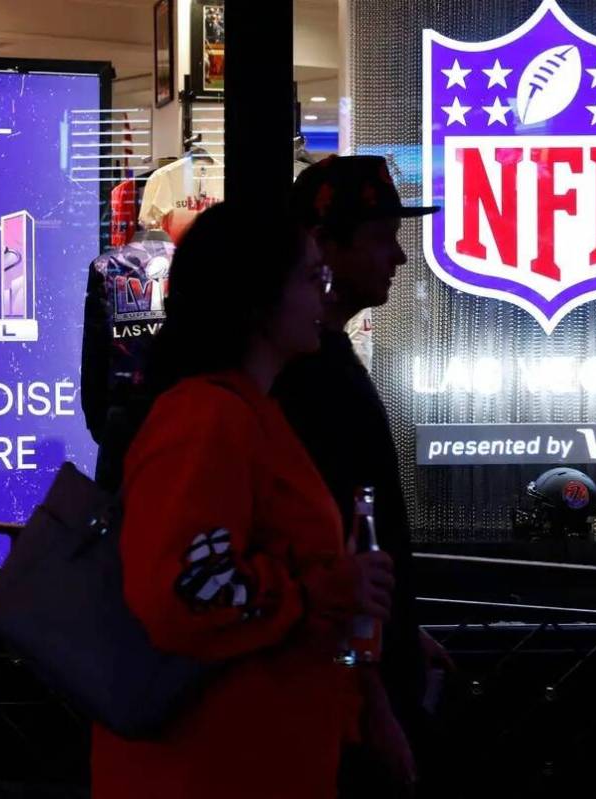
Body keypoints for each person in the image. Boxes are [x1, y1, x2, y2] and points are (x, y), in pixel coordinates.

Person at [90, 201, 398, 799]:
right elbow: (184, 591)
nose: (323, 297)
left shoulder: (245, 410)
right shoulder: (207, 417)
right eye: (312, 279)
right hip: (207, 765)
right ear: (258, 299)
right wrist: (324, 591)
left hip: (249, 757)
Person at [273, 155, 450, 798]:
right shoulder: (305, 376)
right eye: (381, 239)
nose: (398, 259)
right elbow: (327, 547)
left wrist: (401, 631)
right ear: (323, 248)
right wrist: (372, 699)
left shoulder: (325, 358)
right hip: (338, 698)